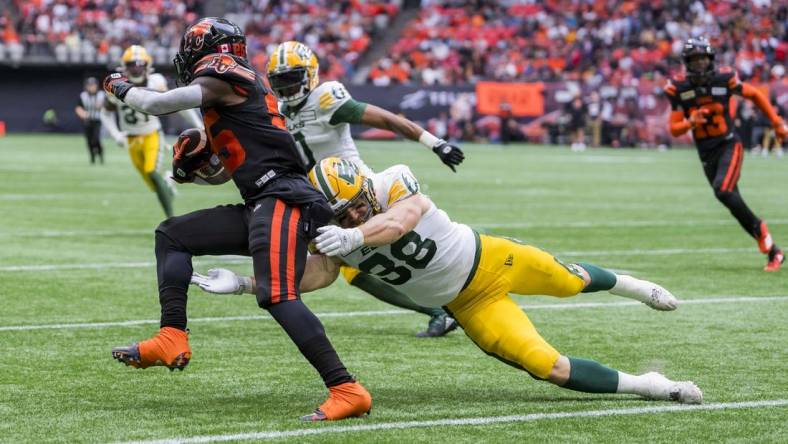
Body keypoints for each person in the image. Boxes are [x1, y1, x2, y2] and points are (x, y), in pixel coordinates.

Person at [193, 157, 703, 405]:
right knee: (547, 367)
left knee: (568, 281)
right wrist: (245, 284)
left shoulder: (393, 182)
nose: (347, 221)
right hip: (467, 305)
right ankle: (651, 386)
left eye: (352, 211)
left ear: (364, 190)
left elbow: (401, 220)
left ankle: (635, 286)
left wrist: (353, 239)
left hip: (490, 260)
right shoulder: (337, 231)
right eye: (340, 216)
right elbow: (319, 275)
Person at [104, 18, 371, 422]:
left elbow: (155, 104)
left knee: (276, 293)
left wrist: (118, 86)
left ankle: (346, 389)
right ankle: (171, 335)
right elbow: (227, 172)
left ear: (207, 49)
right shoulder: (231, 96)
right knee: (172, 235)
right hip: (261, 198)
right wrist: (191, 168)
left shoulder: (228, 73)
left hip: (282, 196)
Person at [265, 41, 465, 337]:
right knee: (357, 272)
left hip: (357, 195)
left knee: (388, 254)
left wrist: (434, 143)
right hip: (322, 201)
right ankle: (442, 310)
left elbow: (385, 118)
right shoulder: (280, 110)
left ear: (310, 75)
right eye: (279, 81)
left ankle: (450, 303)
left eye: (291, 79)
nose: (286, 88)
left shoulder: (325, 99)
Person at [664, 37, 788, 272]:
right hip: (705, 152)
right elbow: (674, 128)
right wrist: (690, 121)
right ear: (687, 62)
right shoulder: (679, 88)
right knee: (731, 201)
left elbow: (755, 95)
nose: (700, 64)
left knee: (724, 190)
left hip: (729, 144)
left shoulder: (724, 79)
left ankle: (762, 230)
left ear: (711, 60)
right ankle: (775, 252)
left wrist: (776, 121)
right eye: (695, 59)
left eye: (703, 58)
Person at [100, 45, 204, 217]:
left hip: (151, 134)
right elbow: (105, 112)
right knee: (153, 184)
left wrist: (198, 124)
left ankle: (171, 218)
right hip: (131, 139)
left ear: (147, 65)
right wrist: (115, 134)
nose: (137, 67)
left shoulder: (155, 81)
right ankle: (167, 184)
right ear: (124, 66)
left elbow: (177, 103)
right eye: (132, 64)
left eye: (140, 64)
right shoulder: (117, 85)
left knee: (151, 171)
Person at [75, 77, 105, 164]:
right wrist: (83, 114)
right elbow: (78, 107)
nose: (91, 87)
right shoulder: (83, 96)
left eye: (93, 85)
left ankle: (100, 154)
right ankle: (92, 157)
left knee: (96, 139)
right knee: (89, 140)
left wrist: (102, 105)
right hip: (87, 120)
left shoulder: (101, 95)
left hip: (98, 120)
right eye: (89, 85)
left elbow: (108, 106)